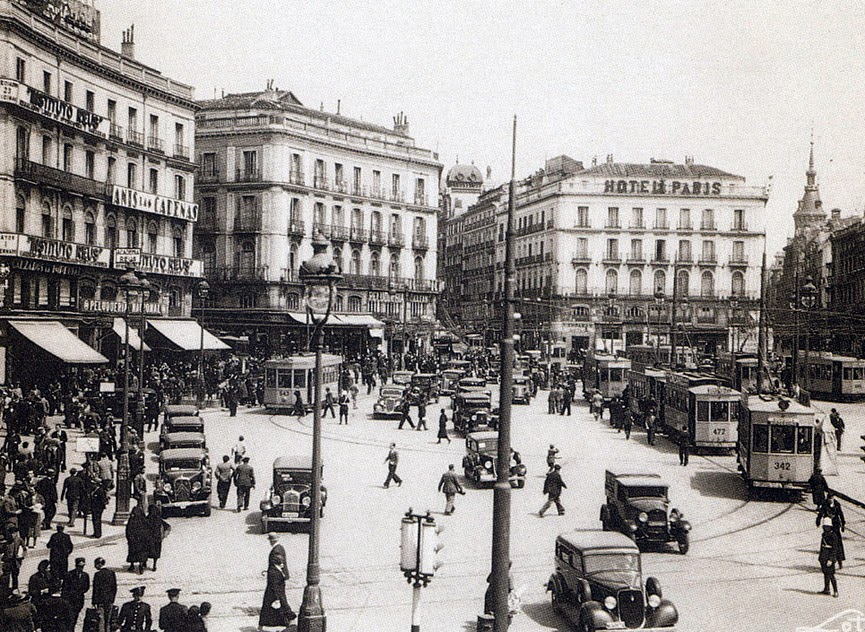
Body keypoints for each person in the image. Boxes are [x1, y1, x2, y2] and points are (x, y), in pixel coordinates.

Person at [259, 534, 296, 629]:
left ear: (272, 541)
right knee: (269, 602)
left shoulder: (276, 550)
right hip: (277, 579)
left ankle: (291, 619)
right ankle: (262, 625)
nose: (270, 542)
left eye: (270, 540)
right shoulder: (280, 548)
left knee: (280, 600)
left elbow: (278, 565)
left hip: (275, 580)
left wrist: (274, 580)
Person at [816, 492, 846, 569]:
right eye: (829, 498)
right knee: (827, 543)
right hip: (828, 526)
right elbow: (821, 513)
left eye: (831, 498)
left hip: (836, 525)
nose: (830, 500)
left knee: (838, 544)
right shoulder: (825, 504)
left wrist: (843, 524)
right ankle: (826, 561)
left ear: (833, 498)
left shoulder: (837, 504)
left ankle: (840, 561)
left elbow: (841, 514)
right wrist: (818, 521)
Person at [61, 557, 90, 627]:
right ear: (76, 565)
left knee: (75, 618)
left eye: (82, 567)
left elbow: (86, 587)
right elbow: (65, 588)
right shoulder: (69, 574)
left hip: (79, 600)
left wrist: (80, 592)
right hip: (70, 600)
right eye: (80, 566)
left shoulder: (85, 575)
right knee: (70, 619)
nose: (81, 568)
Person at [92, 557, 117, 632]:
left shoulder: (97, 574)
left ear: (99, 564)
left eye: (95, 564)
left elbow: (95, 589)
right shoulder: (111, 573)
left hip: (100, 601)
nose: (95, 566)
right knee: (108, 619)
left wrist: (94, 601)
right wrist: (112, 599)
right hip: (109, 600)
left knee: (101, 620)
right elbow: (114, 588)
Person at [125, 506, 149, 574]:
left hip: (133, 541)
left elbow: (128, 530)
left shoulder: (132, 520)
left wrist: (129, 538)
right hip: (142, 540)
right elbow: (147, 530)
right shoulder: (144, 520)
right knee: (142, 553)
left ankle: (132, 565)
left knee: (132, 553)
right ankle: (141, 565)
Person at [818, 518, 839, 597]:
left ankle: (835, 591)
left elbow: (835, 549)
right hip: (823, 556)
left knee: (831, 574)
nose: (825, 528)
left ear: (830, 527)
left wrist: (831, 559)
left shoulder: (833, 536)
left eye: (827, 527)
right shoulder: (824, 534)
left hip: (829, 557)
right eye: (824, 527)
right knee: (825, 573)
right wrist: (820, 557)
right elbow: (822, 546)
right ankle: (826, 589)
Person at [146, 504, 167, 572]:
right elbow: (167, 527)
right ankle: (154, 565)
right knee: (156, 553)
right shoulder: (158, 519)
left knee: (146, 551)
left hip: (148, 538)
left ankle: (144, 563)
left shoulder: (147, 518)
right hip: (157, 539)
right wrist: (163, 536)